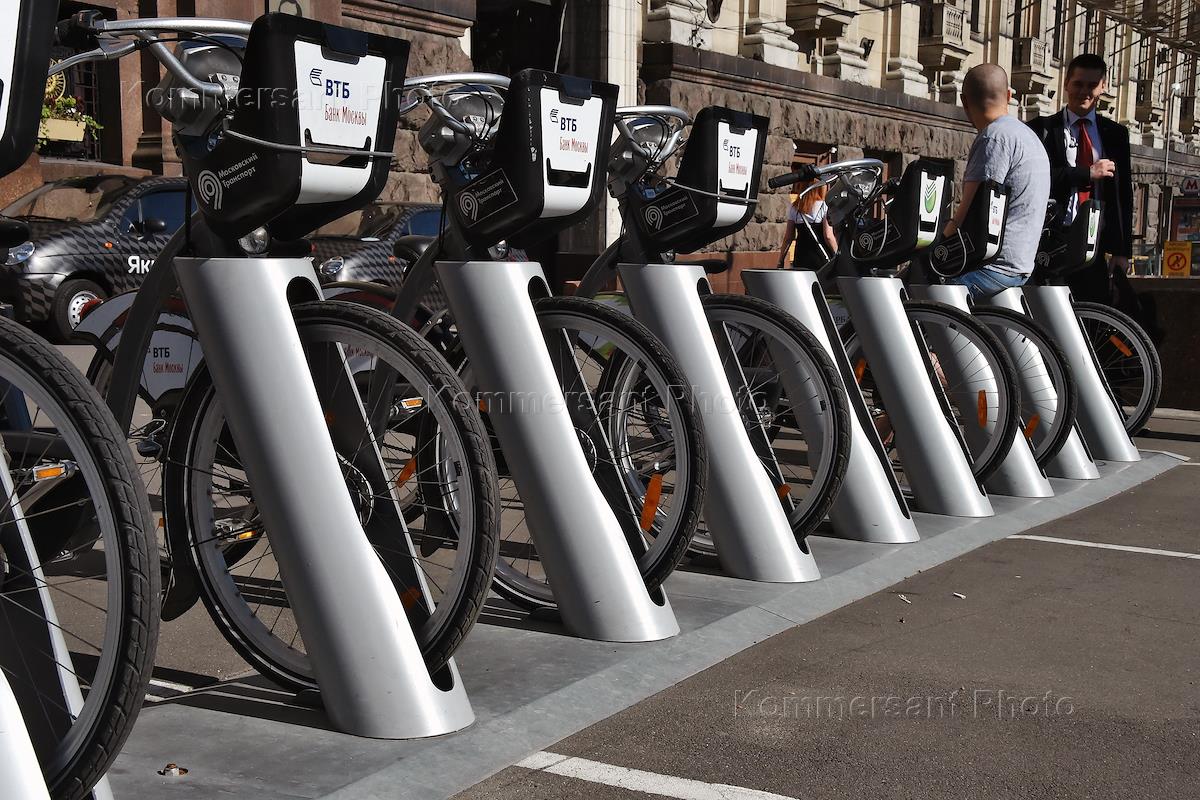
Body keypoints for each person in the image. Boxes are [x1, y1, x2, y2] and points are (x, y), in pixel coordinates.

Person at [1026, 53, 1134, 306]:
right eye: (1078, 84)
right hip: (1051, 241)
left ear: (1103, 87)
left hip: (1094, 243)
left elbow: (1122, 196)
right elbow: (1035, 179)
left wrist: (1121, 251)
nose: (1084, 92)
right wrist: (1087, 173)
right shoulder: (1041, 129)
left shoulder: (1115, 134)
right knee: (1048, 312)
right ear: (1066, 83)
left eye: (1092, 85)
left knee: (1093, 313)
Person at [943, 63, 1051, 299]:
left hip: (993, 267)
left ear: (964, 101)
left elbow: (969, 212)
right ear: (1009, 96)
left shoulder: (993, 138)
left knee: (915, 295)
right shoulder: (1028, 136)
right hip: (1022, 265)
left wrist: (938, 239)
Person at [777, 177, 838, 270]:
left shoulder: (795, 207)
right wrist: (837, 254)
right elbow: (828, 236)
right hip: (820, 257)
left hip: (800, 257)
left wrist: (781, 260)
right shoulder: (824, 206)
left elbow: (788, 237)